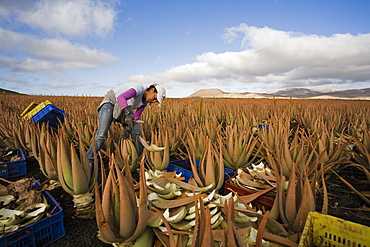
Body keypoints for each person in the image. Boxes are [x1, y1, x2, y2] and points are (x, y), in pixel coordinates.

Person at [87, 83, 166, 164]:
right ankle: (89, 160)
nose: (153, 101)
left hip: (123, 108)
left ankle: (142, 159)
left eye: (155, 101)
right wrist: (128, 113)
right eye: (155, 98)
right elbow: (121, 97)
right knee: (101, 134)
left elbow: (135, 117)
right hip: (111, 103)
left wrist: (129, 127)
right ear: (152, 90)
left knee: (137, 132)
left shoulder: (145, 102)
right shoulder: (137, 89)